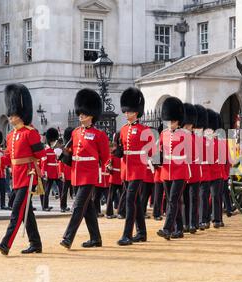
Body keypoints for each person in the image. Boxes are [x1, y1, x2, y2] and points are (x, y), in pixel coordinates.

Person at [0, 84, 46, 255]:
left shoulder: (30, 133)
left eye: (13, 114)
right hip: (16, 177)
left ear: (20, 114)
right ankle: (36, 243)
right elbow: (8, 158)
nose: (10, 117)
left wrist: (34, 166)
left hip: (28, 176)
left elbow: (40, 154)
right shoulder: (11, 135)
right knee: (26, 211)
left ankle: (5, 243)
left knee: (17, 211)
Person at [59, 88, 110, 249]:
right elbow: (71, 151)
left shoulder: (99, 134)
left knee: (78, 206)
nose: (81, 115)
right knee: (87, 208)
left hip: (89, 174)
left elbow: (105, 156)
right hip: (76, 173)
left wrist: (101, 168)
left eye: (84, 113)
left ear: (91, 115)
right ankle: (96, 238)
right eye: (80, 113)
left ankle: (68, 238)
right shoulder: (75, 132)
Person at [117, 87, 153, 245]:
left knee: (130, 200)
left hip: (138, 168)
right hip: (126, 167)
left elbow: (151, 150)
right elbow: (122, 148)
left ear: (136, 112)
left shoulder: (144, 130)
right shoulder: (123, 130)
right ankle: (142, 233)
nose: (126, 114)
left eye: (129, 111)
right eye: (125, 111)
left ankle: (127, 234)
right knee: (136, 200)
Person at [157, 97, 191, 240]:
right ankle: (179, 229)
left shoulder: (185, 134)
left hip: (179, 171)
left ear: (178, 120)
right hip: (166, 171)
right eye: (169, 121)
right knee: (173, 201)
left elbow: (190, 153)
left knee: (173, 200)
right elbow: (159, 151)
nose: (170, 123)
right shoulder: (163, 134)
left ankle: (167, 229)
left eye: (173, 121)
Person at [182, 103, 200, 234]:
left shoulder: (197, 138)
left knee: (193, 199)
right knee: (184, 199)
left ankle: (193, 223)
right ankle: (185, 223)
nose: (187, 127)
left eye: (189, 124)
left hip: (193, 171)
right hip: (183, 171)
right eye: (186, 124)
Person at [40, 127, 63, 211]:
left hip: (57, 172)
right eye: (53, 141)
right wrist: (44, 173)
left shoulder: (58, 149)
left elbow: (61, 161)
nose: (54, 142)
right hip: (49, 172)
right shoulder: (46, 150)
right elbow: (44, 162)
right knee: (46, 191)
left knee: (61, 190)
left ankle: (63, 206)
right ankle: (45, 206)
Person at [59, 127, 74, 212]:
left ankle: (72, 206)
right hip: (68, 172)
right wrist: (61, 173)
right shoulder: (66, 147)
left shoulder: (71, 146)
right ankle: (63, 206)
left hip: (72, 172)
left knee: (74, 192)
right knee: (64, 191)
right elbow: (61, 161)